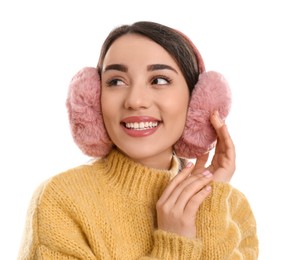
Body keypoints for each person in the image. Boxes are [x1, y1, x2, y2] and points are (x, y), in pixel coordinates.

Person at [18, 21, 259, 259]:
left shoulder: (233, 208)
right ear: (93, 100)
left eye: (159, 80)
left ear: (198, 101)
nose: (135, 100)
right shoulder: (61, 199)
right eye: (116, 81)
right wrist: (172, 249)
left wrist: (209, 203)